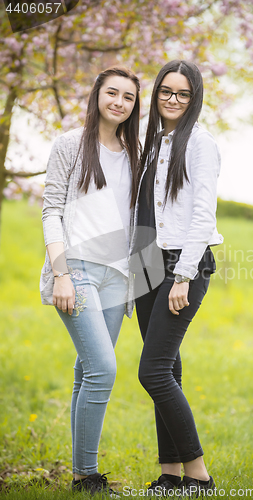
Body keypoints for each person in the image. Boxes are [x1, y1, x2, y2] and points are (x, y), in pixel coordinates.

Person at [40, 66, 141, 497]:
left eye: (129, 97)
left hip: (118, 276)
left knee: (87, 370)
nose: (119, 102)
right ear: (97, 94)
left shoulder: (136, 152)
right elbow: (51, 211)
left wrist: (139, 278)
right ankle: (87, 474)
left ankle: (82, 474)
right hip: (77, 269)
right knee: (103, 369)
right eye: (112, 93)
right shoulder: (69, 145)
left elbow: (139, 220)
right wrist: (60, 273)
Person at [132, 60, 224, 497]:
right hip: (146, 263)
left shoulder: (201, 143)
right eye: (166, 91)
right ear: (156, 94)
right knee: (168, 368)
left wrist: (184, 276)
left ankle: (200, 476)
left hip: (181, 266)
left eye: (182, 94)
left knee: (152, 372)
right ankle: (170, 475)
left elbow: (203, 214)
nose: (172, 99)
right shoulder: (152, 142)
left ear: (194, 98)